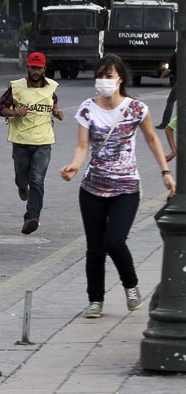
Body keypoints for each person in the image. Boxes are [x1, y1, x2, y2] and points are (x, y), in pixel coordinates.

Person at [60, 55, 175, 319]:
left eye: (108, 76)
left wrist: (165, 171)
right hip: (92, 188)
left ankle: (131, 285)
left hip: (126, 188)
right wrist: (74, 166)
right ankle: (95, 300)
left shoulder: (136, 109)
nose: (103, 81)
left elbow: (151, 140)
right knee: (94, 247)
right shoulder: (87, 109)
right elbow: (82, 146)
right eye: (100, 75)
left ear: (120, 78)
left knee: (114, 240)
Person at [0, 51, 64, 235]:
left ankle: (32, 218)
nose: (35, 71)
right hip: (21, 142)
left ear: (44, 68)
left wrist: (56, 111)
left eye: (38, 68)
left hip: (43, 141)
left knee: (37, 180)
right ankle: (20, 186)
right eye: (32, 67)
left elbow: (53, 103)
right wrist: (15, 112)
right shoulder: (17, 87)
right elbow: (0, 108)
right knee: (22, 178)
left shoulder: (50, 88)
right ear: (28, 67)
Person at [155, 50, 176, 130]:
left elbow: (169, 70)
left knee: (170, 101)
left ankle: (165, 122)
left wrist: (162, 76)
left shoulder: (176, 55)